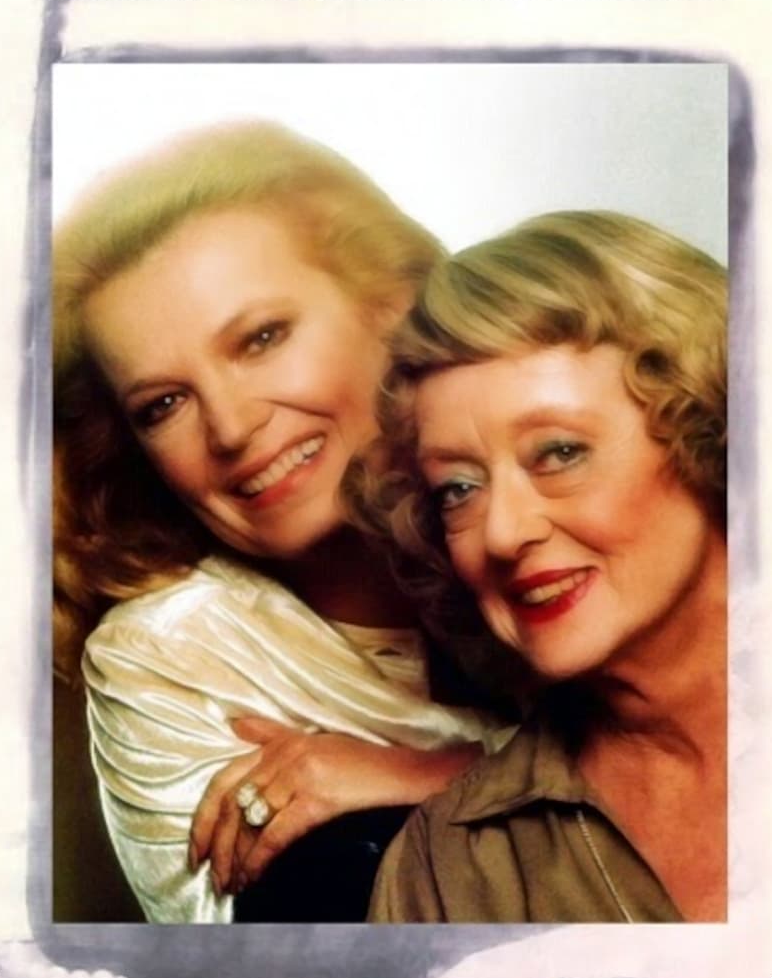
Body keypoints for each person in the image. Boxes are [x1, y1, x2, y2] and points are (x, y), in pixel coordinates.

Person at [53, 121, 514, 924]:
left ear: (391, 304)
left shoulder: (553, 527)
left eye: (261, 338)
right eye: (163, 403)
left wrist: (435, 773)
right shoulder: (171, 656)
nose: (231, 427)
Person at [366, 210, 727, 923]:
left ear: (705, 427)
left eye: (559, 452)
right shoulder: (447, 873)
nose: (503, 532)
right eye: (457, 488)